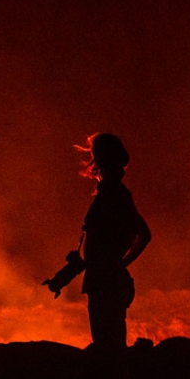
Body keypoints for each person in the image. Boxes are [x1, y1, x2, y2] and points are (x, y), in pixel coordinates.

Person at [44, 133, 151, 354]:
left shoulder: (114, 193)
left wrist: (117, 265)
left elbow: (142, 235)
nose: (94, 161)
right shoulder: (115, 193)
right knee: (109, 348)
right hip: (105, 280)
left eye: (96, 155)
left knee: (108, 350)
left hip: (106, 283)